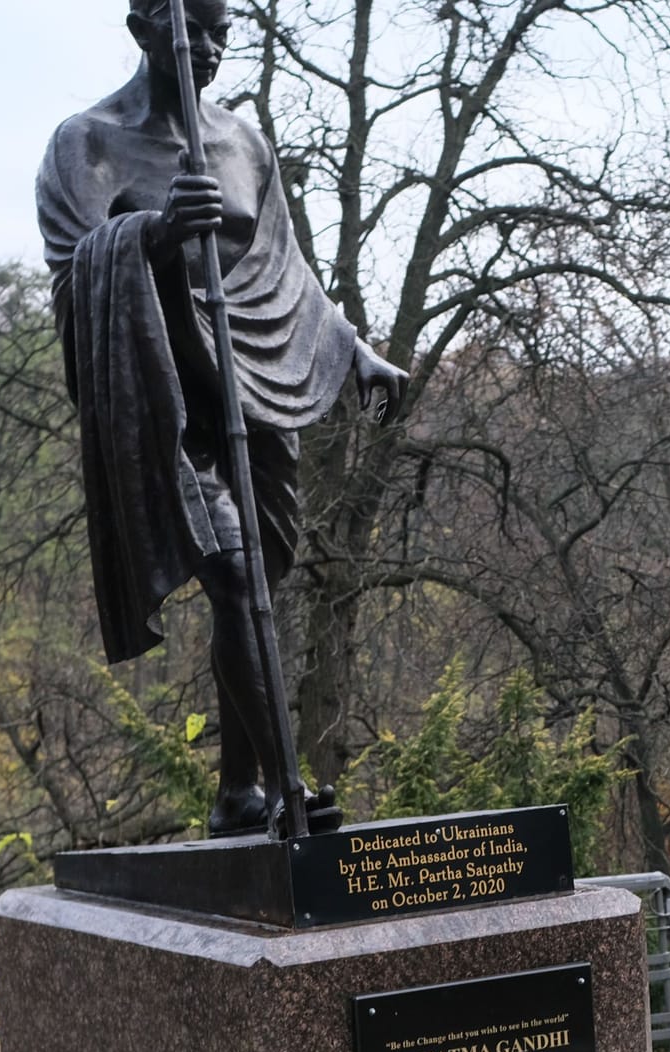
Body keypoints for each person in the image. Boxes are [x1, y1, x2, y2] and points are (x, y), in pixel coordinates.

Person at [38, 0, 407, 835]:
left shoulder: (243, 143)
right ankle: (287, 792)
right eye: (187, 30)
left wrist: (353, 351)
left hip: (252, 391)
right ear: (141, 31)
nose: (205, 49)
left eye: (220, 34)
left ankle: (236, 794)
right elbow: (74, 275)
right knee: (236, 576)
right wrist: (156, 235)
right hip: (164, 401)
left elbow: (285, 270)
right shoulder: (86, 143)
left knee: (261, 581)